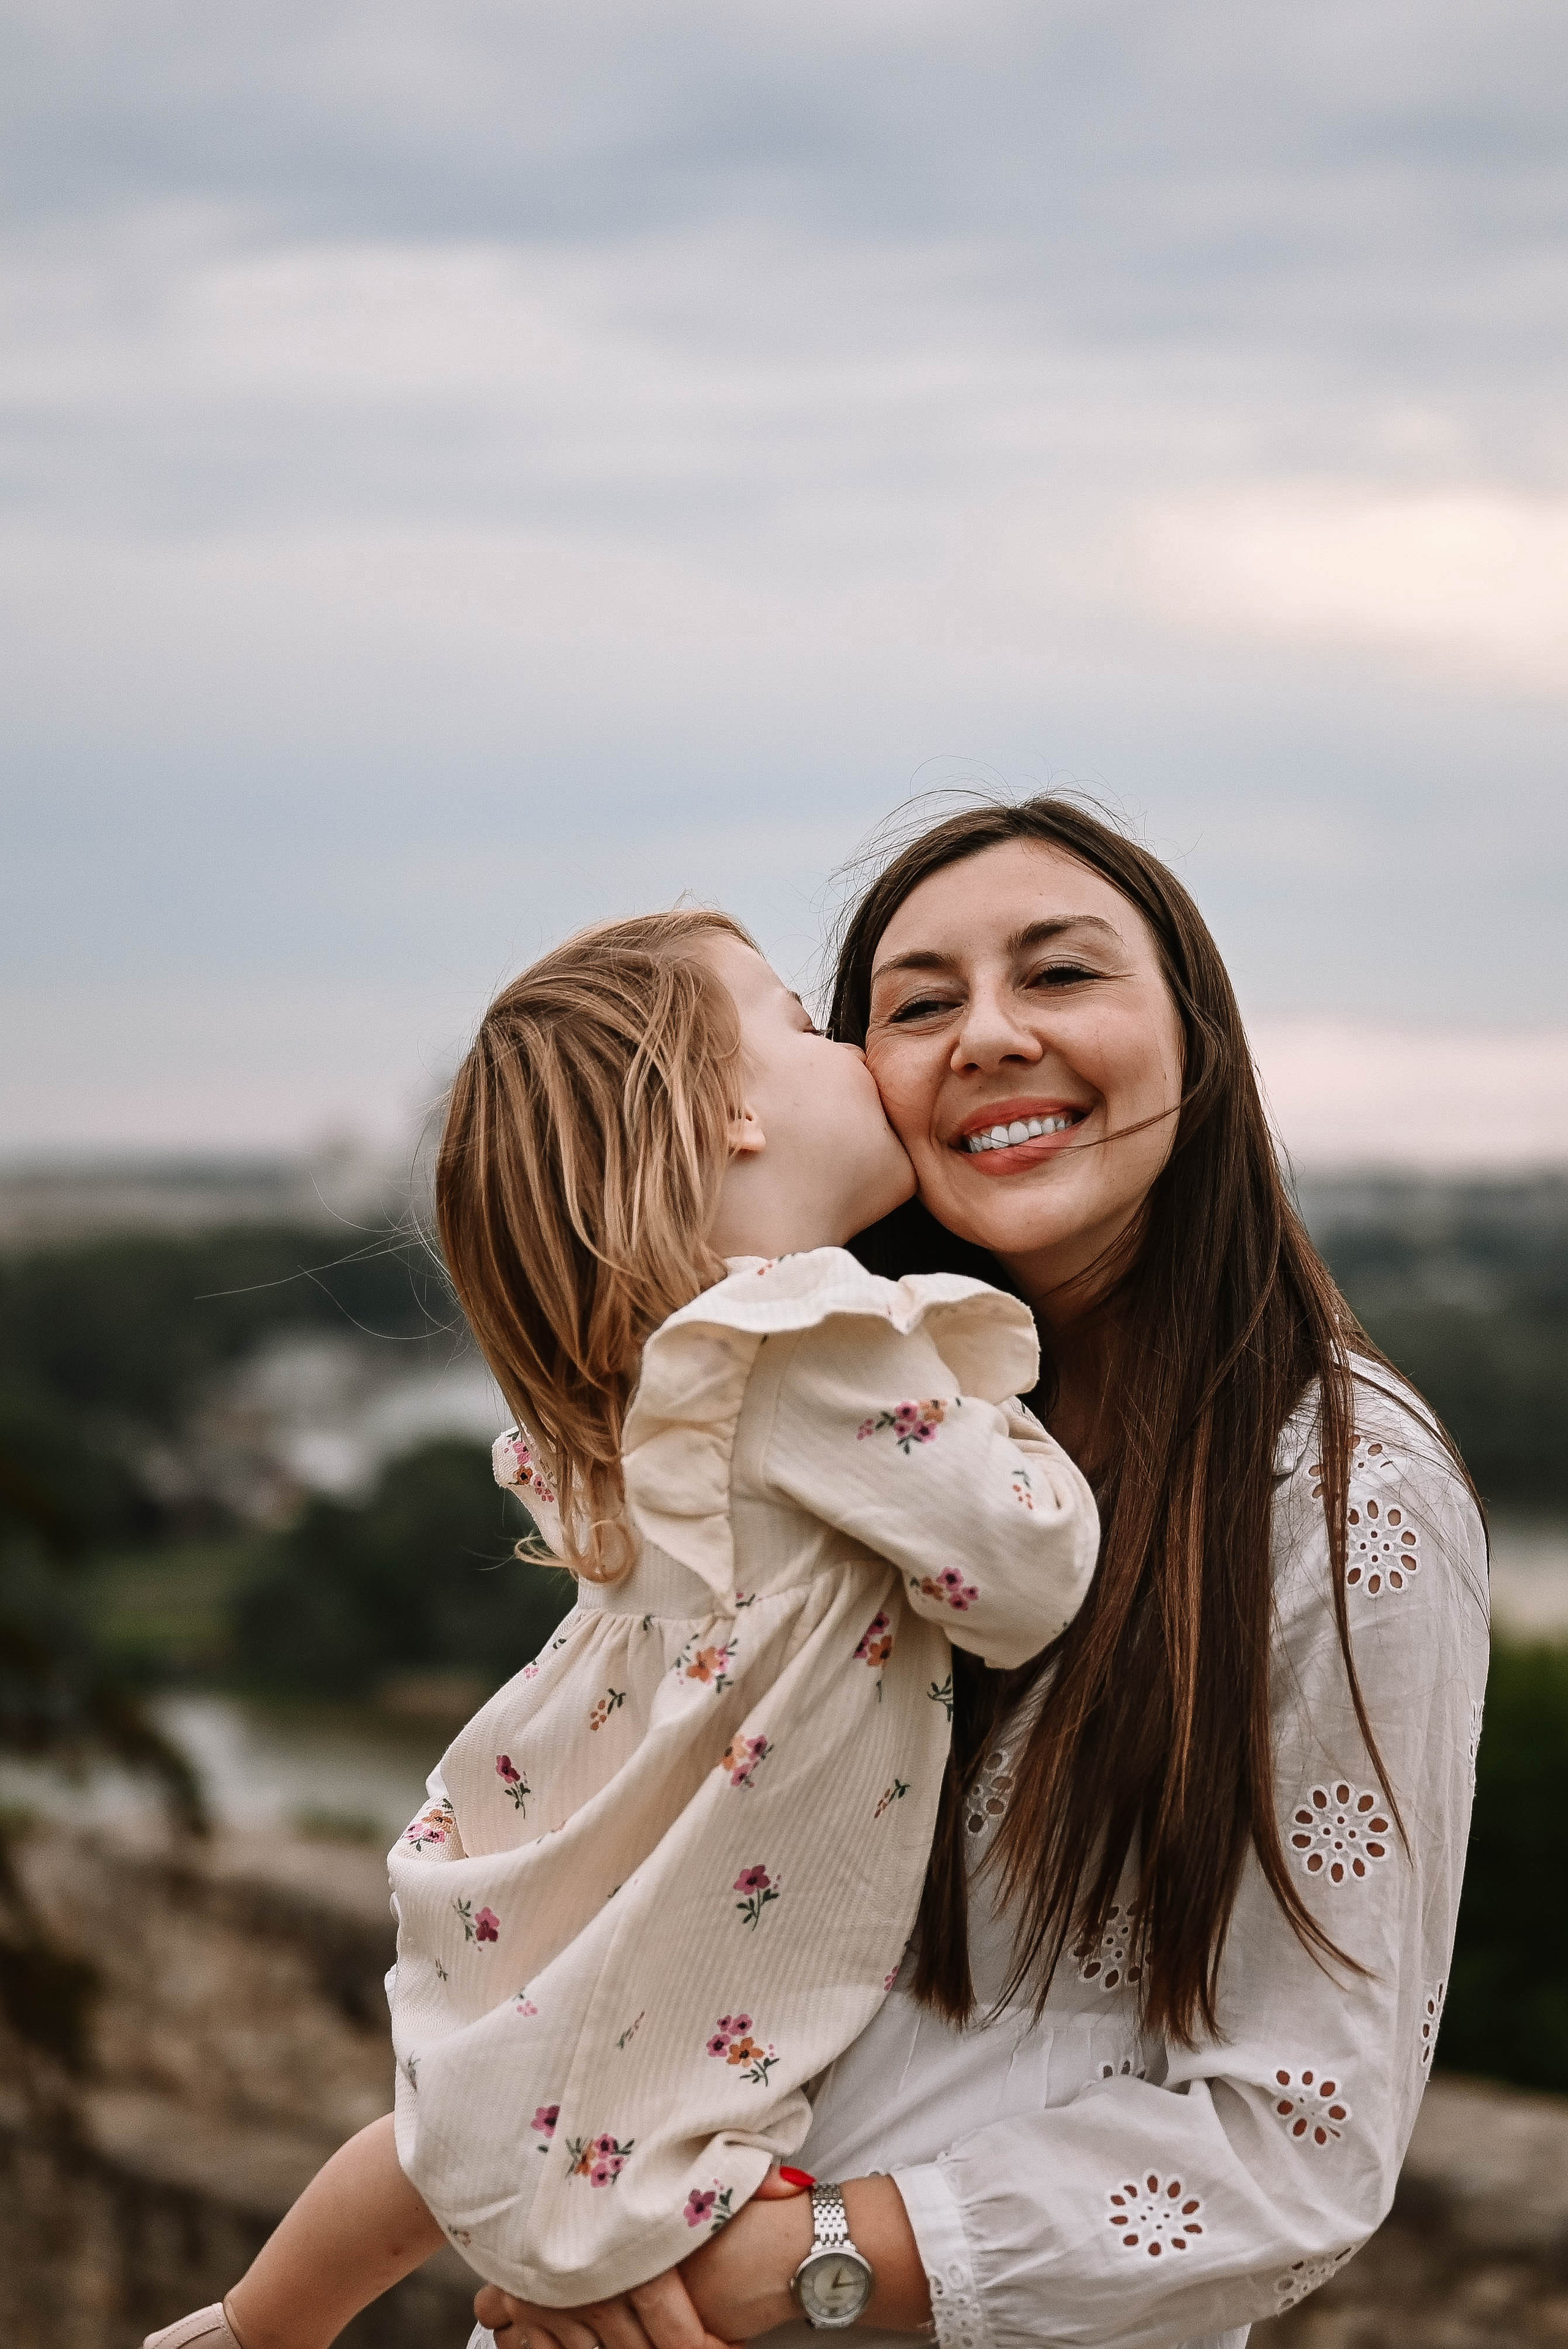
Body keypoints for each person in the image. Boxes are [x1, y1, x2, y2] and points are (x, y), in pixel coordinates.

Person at [471, 800, 1488, 2349]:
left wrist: (803, 2266)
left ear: (1198, 1042)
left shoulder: (1342, 1493)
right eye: (918, 1004)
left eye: (1061, 975)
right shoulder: (806, 1420)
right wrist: (555, 2204)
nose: (989, 1037)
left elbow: (1305, 2144)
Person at [143, 906, 1098, 2349]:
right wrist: (991, 1406)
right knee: (622, 2203)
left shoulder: (656, 1361)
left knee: (451, 2131)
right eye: (799, 1022)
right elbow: (1026, 1572)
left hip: (594, 1850)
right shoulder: (811, 1345)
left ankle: (244, 2332)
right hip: (698, 1895)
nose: (844, 1050)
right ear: (729, 1115)